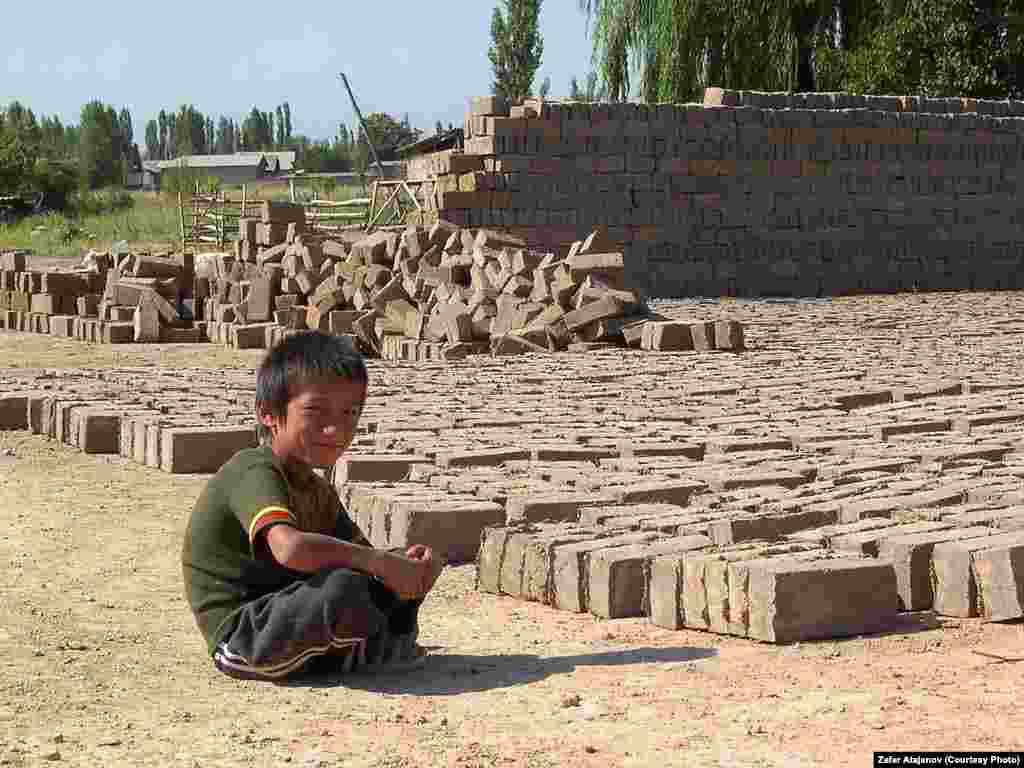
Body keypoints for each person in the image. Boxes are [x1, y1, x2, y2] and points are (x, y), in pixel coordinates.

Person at [181, 330, 443, 681]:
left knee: (394, 567)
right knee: (344, 588)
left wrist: (409, 566)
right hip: (245, 633)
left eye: (350, 412)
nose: (335, 429)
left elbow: (363, 558)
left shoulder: (317, 488)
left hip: (292, 608)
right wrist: (378, 563)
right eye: (316, 411)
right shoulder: (253, 470)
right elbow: (290, 549)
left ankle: (364, 647)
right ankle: (357, 650)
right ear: (269, 414)